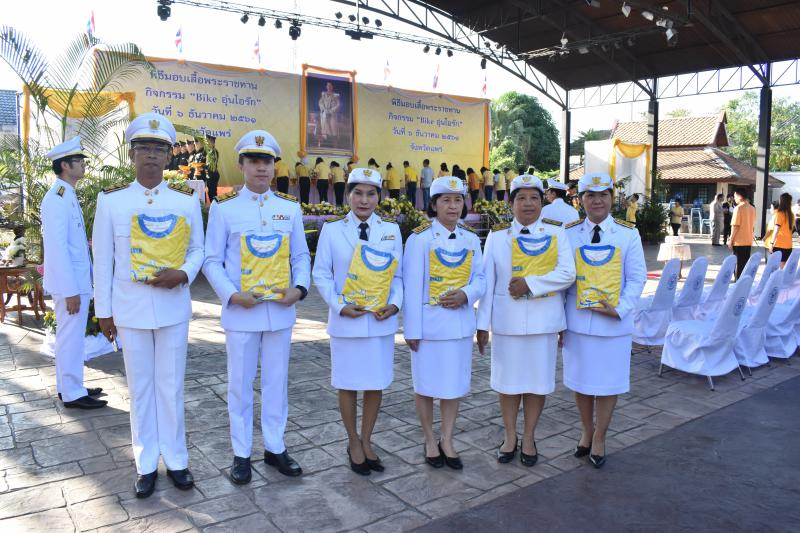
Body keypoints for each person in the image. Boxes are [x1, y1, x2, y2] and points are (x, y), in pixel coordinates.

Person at [93, 113, 204, 498]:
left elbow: (198, 249)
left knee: (171, 386)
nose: (152, 155)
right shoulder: (112, 202)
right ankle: (145, 463)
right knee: (140, 388)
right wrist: (104, 312)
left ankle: (176, 460)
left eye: (159, 148)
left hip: (173, 306)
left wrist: (184, 273)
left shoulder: (185, 201)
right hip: (131, 308)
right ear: (132, 154)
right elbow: (102, 261)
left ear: (169, 155)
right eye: (144, 148)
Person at [203, 129, 311, 484]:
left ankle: (275, 447)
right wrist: (231, 295)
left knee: (277, 383)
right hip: (242, 313)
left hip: (279, 312)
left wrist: (300, 289)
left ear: (274, 165)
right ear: (242, 165)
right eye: (254, 161)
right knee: (240, 384)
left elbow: (300, 256)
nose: (261, 167)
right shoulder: (225, 209)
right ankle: (241, 452)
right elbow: (211, 260)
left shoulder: (289, 208)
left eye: (267, 161)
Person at [476, 175, 575, 468]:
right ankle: (510, 436)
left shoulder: (556, 232)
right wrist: (482, 325)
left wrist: (530, 284)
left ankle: (529, 437)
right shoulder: (497, 235)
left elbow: (568, 273)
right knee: (507, 384)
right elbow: (487, 281)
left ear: (543, 202)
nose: (528, 203)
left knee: (537, 384)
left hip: (544, 323)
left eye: (534, 198)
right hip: (507, 322)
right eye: (521, 198)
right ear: (511, 203)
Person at [312, 168, 403, 476]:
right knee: (348, 384)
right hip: (347, 322)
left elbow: (398, 276)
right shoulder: (332, 230)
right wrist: (339, 306)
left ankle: (367, 439)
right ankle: (353, 441)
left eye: (371, 194)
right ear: (348, 195)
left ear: (379, 197)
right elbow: (321, 274)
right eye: (358, 193)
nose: (364, 200)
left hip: (379, 321)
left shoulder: (391, 230)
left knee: (375, 383)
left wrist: (395, 304)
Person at [562, 172, 646, 468]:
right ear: (580, 200)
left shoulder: (627, 233)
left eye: (603, 195)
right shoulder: (568, 233)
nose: (597, 201)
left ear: (612, 198)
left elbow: (637, 278)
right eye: (590, 195)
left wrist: (620, 308)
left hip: (613, 324)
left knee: (609, 383)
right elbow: (562, 281)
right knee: (582, 382)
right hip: (578, 322)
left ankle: (600, 437)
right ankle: (586, 431)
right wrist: (559, 322)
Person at [404, 176, 486, 470]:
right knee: (426, 386)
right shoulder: (419, 239)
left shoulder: (471, 239)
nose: (453, 206)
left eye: (458, 200)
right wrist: (412, 330)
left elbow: (481, 278)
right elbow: (411, 287)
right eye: (446, 200)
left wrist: (467, 294)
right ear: (434, 204)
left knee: (453, 386)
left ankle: (447, 439)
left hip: (460, 326)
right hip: (429, 328)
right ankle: (429, 439)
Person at [41, 137, 106, 410]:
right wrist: (70, 291)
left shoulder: (66, 194)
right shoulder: (56, 198)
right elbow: (57, 249)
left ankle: (71, 385)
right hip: (70, 285)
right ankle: (71, 393)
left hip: (76, 281)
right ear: (65, 165)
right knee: (69, 338)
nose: (83, 165)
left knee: (74, 337)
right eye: (78, 161)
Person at [729, 189, 756, 279]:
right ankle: (743, 282)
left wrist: (730, 240)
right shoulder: (752, 208)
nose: (734, 198)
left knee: (737, 265)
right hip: (748, 240)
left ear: (739, 196)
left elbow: (735, 226)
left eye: (735, 196)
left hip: (739, 241)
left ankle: (738, 283)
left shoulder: (738, 208)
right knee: (745, 265)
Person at [769, 192, 794, 267]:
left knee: (778, 268)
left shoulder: (780, 214)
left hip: (779, 244)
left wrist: (771, 243)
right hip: (788, 245)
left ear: (782, 201)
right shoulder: (791, 214)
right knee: (784, 266)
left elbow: (776, 230)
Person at [205, 135, 220, 201]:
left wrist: (202, 166)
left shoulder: (214, 152)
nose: (207, 143)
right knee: (210, 193)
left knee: (212, 193)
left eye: (209, 141)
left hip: (213, 174)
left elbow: (210, 164)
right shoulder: (209, 151)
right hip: (210, 174)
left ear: (213, 142)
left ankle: (215, 205)